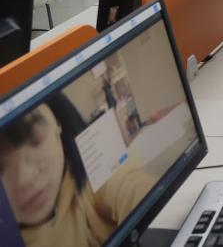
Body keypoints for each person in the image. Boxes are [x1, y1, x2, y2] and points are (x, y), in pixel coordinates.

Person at [0, 93, 154, 246]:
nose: (25, 178)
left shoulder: (91, 170)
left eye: (35, 136)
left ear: (57, 122)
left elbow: (135, 188)